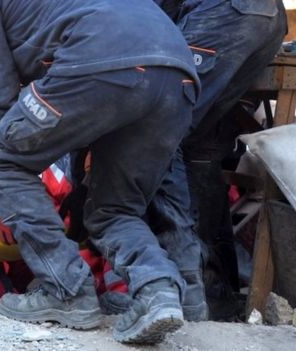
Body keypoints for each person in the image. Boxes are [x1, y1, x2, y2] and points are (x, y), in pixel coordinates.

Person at [0, 0, 200, 343]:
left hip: (102, 56)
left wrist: (5, 191)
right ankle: (158, 288)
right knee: (114, 208)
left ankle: (67, 290)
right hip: (178, 70)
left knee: (3, 156)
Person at [150, 0, 287, 321]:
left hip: (226, 12)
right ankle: (215, 290)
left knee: (160, 130)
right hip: (258, 15)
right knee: (199, 149)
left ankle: (188, 282)